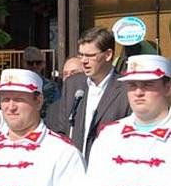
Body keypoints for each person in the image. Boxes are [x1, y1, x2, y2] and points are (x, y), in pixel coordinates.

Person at [87, 54, 171, 186]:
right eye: (132, 85)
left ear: (167, 88)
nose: (138, 92)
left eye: (148, 85)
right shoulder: (108, 135)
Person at [45, 27, 130, 161]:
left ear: (108, 55)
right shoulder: (73, 84)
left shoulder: (126, 89)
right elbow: (62, 129)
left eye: (90, 56)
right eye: (81, 55)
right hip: (75, 170)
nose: (83, 61)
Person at [22, 46, 59, 117]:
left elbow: (56, 108)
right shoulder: (17, 85)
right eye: (30, 63)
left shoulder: (52, 87)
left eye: (38, 62)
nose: (34, 66)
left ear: (43, 64)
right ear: (24, 63)